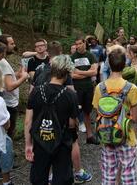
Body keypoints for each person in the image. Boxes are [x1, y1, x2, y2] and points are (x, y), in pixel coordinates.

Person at [32, 41, 92, 184]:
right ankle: (78, 172)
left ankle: (50, 175)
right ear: (60, 53)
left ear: (48, 52)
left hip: (41, 120)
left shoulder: (40, 69)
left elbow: (31, 95)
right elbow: (71, 92)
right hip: (62, 118)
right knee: (72, 142)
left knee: (44, 147)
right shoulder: (62, 69)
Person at [24, 55, 78, 185]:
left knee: (39, 177)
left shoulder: (36, 91)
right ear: (67, 73)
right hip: (62, 142)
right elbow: (71, 124)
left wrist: (28, 144)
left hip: (40, 140)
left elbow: (28, 121)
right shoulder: (70, 95)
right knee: (62, 178)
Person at [93, 48, 137, 185]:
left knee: (108, 172)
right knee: (128, 172)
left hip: (106, 134)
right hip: (126, 136)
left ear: (108, 64)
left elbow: (98, 111)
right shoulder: (131, 88)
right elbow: (135, 118)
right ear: (125, 64)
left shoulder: (99, 87)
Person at [0, 35, 29, 140]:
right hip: (8, 104)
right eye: (12, 44)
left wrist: (16, 74)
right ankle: (6, 154)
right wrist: (23, 78)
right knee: (7, 134)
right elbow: (9, 87)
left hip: (5, 102)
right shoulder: (3, 63)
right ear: (3, 46)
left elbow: (4, 78)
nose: (14, 46)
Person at [71, 37, 99, 144]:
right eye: (76, 44)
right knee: (74, 112)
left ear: (84, 44)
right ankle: (74, 139)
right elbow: (72, 75)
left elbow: (94, 72)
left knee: (87, 112)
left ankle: (90, 136)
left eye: (80, 43)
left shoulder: (90, 55)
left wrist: (80, 72)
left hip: (88, 88)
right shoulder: (72, 57)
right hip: (76, 88)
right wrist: (87, 73)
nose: (78, 46)